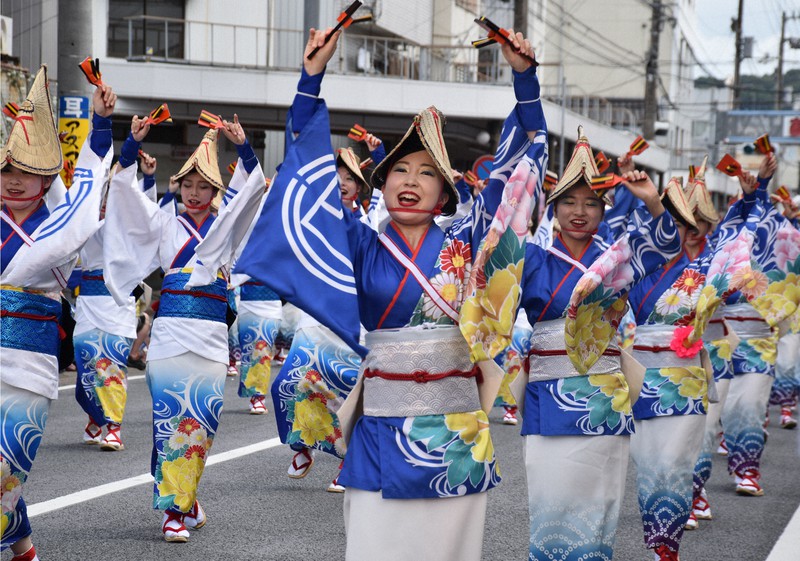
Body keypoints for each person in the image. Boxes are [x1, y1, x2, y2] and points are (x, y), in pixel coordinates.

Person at [240, 26, 546, 561]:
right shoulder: (359, 242)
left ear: (445, 193)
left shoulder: (469, 240)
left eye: (426, 173)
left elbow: (513, 173)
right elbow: (305, 183)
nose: (410, 180)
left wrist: (525, 80)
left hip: (455, 428)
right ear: (380, 186)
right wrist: (310, 79)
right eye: (399, 170)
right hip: (381, 421)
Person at [518, 129, 682, 561]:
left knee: (598, 503)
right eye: (569, 202)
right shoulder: (532, 257)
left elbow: (667, 243)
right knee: (550, 498)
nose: (579, 212)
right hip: (548, 392)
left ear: (604, 209)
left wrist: (652, 201)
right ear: (552, 208)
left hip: (603, 396)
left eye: (591, 203)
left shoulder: (616, 257)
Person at [102, 113, 267, 542]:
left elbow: (253, 195)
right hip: (170, 337)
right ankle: (174, 509)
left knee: (202, 422)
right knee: (170, 420)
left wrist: (244, 147)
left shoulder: (227, 225)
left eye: (203, 186)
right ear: (178, 186)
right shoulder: (163, 221)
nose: (194, 193)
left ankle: (182, 494)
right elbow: (125, 200)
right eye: (188, 184)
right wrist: (130, 146)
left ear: (215, 191)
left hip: (211, 338)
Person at [1, 65, 115, 561]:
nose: (13, 181)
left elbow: (87, 192)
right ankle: (23, 547)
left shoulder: (64, 224)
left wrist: (101, 124)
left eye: (26, 172)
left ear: (47, 177)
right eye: (6, 170)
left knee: (5, 470)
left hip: (28, 363)